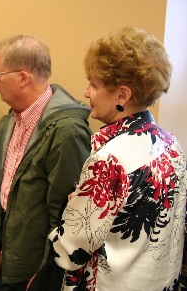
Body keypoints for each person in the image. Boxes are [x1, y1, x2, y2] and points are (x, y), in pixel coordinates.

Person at [48, 26, 187, 291]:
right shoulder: (171, 145)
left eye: (94, 84)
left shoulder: (111, 160)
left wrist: (72, 212)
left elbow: (69, 251)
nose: (86, 92)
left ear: (122, 95)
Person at [0, 35, 92, 291]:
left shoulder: (66, 131)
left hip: (38, 270)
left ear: (23, 78)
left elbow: (66, 214)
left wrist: (47, 274)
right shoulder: (11, 120)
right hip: (14, 255)